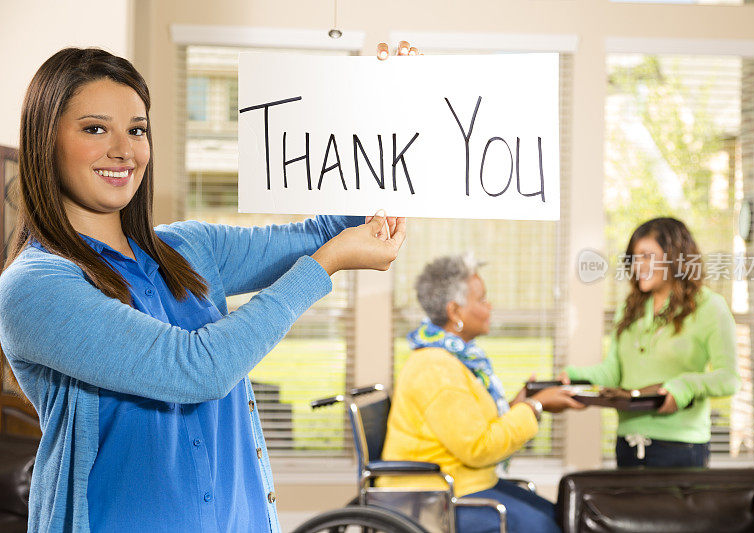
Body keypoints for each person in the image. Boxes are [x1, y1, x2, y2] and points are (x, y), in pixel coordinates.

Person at [0, 47, 407, 532]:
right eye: (94, 128)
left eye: (136, 129)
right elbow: (196, 369)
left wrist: (390, 105)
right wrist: (325, 266)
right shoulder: (33, 288)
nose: (123, 150)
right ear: (46, 141)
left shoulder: (189, 249)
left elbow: (333, 229)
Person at [381, 253, 583, 533]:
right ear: (455, 312)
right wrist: (533, 408)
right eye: (482, 299)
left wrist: (522, 402)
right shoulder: (437, 368)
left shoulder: (455, 360)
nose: (490, 306)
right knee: (548, 527)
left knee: (560, 517)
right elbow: (479, 447)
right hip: (434, 497)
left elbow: (475, 427)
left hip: (465, 483)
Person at [560, 217, 740, 468]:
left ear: (676, 257)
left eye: (647, 256)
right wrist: (574, 376)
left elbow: (729, 378)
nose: (638, 266)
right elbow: (613, 372)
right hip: (628, 444)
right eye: (634, 258)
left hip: (681, 448)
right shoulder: (631, 308)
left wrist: (685, 386)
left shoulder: (710, 307)